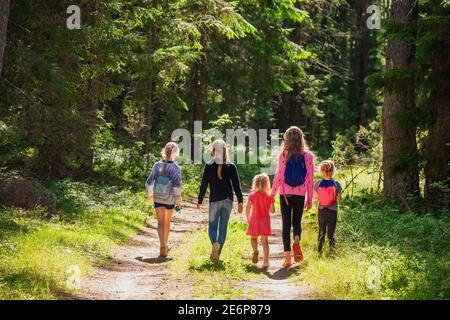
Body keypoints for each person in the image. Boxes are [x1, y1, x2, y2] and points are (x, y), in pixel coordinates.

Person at [272, 126, 314, 268]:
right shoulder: (308, 156)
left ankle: (287, 258)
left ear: (287, 139)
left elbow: (278, 176)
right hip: (300, 193)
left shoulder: (283, 155)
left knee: (285, 225)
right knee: (296, 222)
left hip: (285, 193)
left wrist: (272, 194)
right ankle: (296, 241)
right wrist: (309, 199)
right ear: (301, 138)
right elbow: (310, 179)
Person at [197, 140, 244, 263]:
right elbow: (236, 185)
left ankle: (214, 244)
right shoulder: (231, 166)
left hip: (214, 201)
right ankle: (217, 254)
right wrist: (240, 201)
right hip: (227, 201)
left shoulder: (209, 166)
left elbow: (204, 184)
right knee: (223, 228)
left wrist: (200, 200)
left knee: (212, 227)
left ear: (213, 151)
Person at [146, 142, 181, 258]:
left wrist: (149, 194)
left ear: (164, 151)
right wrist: (178, 202)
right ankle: (165, 246)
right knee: (167, 223)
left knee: (160, 223)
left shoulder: (157, 165)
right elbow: (177, 187)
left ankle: (162, 246)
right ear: (175, 153)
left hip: (158, 197)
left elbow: (149, 181)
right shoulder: (176, 168)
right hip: (169, 199)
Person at [246, 174, 275, 269]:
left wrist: (248, 218)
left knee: (253, 239)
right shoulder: (269, 196)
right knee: (265, 242)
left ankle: (255, 250)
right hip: (265, 221)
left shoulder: (252, 195)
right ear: (267, 184)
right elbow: (272, 210)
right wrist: (272, 203)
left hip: (254, 219)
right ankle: (266, 262)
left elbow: (248, 208)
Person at [314, 160, 342, 255]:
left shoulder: (318, 183)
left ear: (321, 171)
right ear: (333, 171)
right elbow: (339, 198)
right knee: (331, 232)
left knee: (322, 231)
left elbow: (315, 197)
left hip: (321, 210)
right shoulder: (337, 183)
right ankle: (332, 251)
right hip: (332, 211)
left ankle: (319, 251)